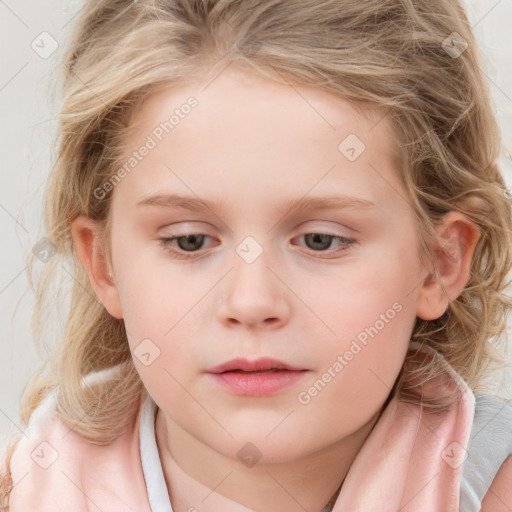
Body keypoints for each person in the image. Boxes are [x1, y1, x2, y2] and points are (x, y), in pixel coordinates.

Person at [1, 0, 512, 510]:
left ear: (440, 262)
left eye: (320, 240)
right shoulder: (32, 491)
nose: (251, 302)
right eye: (189, 241)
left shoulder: (485, 488)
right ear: (103, 264)